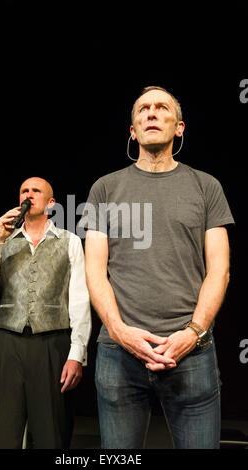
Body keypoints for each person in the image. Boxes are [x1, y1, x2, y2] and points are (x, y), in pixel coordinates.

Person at [79, 86, 234, 449]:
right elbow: (94, 271)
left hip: (192, 353)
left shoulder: (206, 186)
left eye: (162, 108)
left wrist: (192, 333)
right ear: (132, 130)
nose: (152, 113)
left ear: (179, 127)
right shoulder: (105, 188)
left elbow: (220, 270)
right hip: (119, 355)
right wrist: (120, 332)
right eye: (143, 109)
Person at [0, 177, 91, 449]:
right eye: (24, 190)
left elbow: (80, 300)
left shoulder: (69, 241)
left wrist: (76, 355)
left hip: (52, 344)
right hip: (8, 343)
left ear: (51, 202)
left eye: (36, 191)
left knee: (51, 433)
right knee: (3, 432)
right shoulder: (4, 240)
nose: (29, 194)